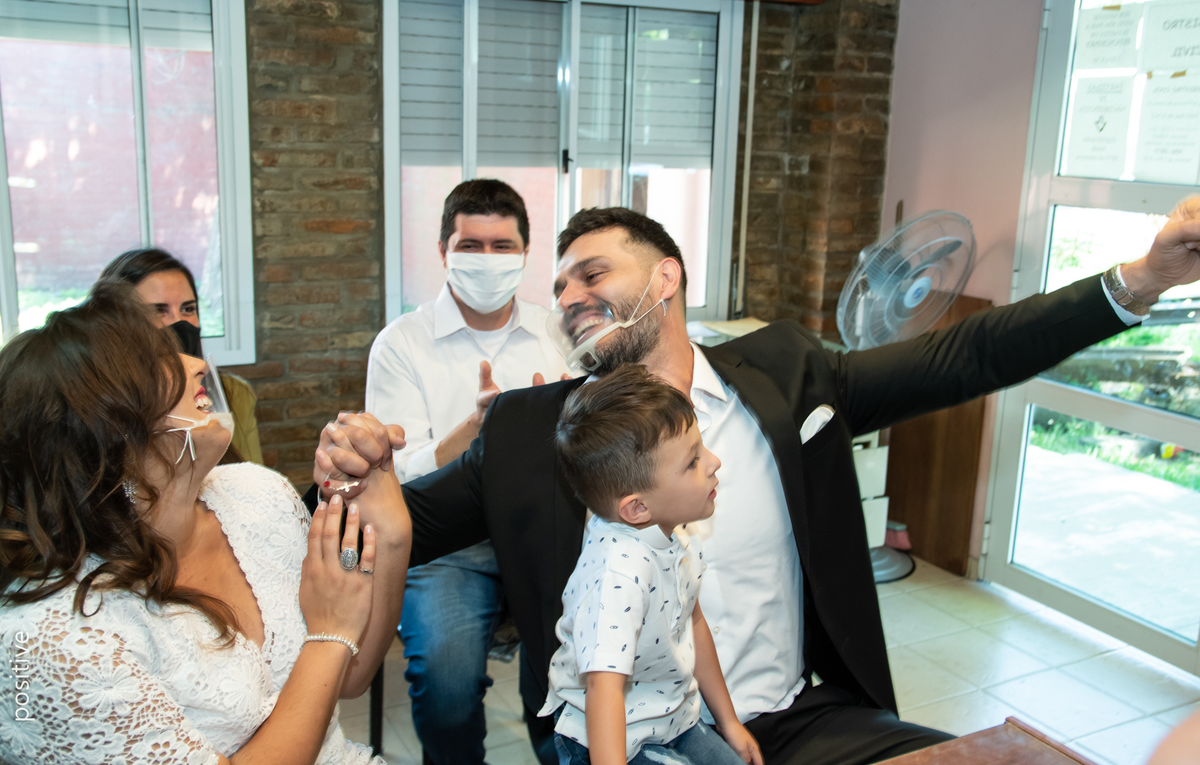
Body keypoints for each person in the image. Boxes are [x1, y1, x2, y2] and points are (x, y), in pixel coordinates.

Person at [314, 197, 1200, 765]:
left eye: (593, 272)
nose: (572, 295)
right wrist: (349, 477)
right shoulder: (527, 432)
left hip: (804, 718)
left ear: (666, 278)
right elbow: (404, 524)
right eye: (562, 285)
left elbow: (960, 354)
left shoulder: (786, 372)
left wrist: (1144, 277)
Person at [0, 282, 411, 764]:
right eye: (156, 362)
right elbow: (333, 642)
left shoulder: (257, 494)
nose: (196, 363)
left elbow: (352, 674)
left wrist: (387, 520)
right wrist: (327, 635)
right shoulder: (44, 641)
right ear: (105, 430)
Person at [365, 179, 568, 765]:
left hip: (543, 535)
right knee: (449, 695)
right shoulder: (401, 344)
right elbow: (395, 476)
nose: (487, 259)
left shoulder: (558, 333)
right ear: (442, 251)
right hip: (450, 548)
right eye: (470, 245)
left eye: (502, 246)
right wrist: (478, 435)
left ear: (526, 254)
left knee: (568, 686)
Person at [541, 365, 761, 765]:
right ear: (637, 508)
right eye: (692, 462)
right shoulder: (617, 577)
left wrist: (729, 722)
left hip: (673, 718)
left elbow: (692, 622)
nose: (713, 463)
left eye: (702, 447)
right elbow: (603, 689)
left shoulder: (677, 535)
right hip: (609, 740)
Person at [100, 248, 264, 465]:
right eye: (158, 310)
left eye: (188, 309)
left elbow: (255, 482)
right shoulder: (102, 404)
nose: (178, 323)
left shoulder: (233, 394)